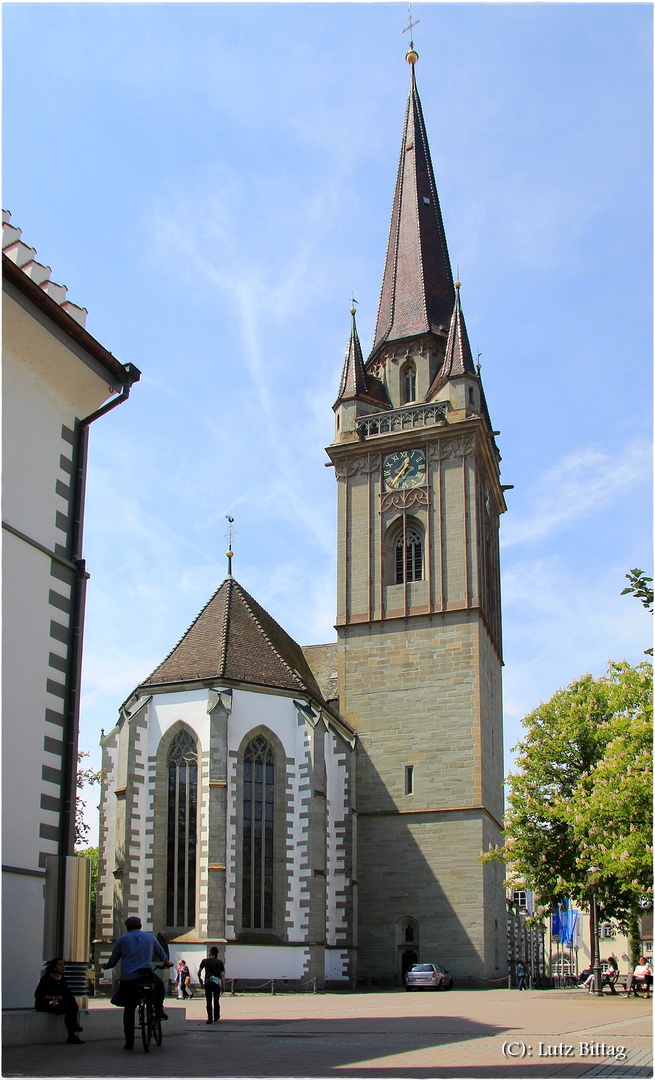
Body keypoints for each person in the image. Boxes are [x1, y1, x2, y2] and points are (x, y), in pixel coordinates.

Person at [103, 916, 173, 1050]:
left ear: (127, 927)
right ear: (140, 926)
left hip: (129, 979)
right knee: (159, 985)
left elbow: (113, 960)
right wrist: (167, 962)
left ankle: (129, 1042)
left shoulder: (122, 940)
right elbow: (162, 954)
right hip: (145, 976)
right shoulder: (150, 938)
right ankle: (158, 1009)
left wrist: (107, 966)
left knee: (129, 1011)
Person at [34, 958, 84, 1044]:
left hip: (57, 1003)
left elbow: (67, 993)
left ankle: (74, 1027)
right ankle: (72, 1032)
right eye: (60, 965)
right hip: (46, 1003)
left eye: (63, 965)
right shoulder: (46, 979)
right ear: (54, 967)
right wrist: (53, 998)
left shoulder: (62, 979)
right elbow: (38, 995)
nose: (63, 967)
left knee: (71, 1002)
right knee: (68, 1009)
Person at [198, 947, 226, 1023]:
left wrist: (200, 979)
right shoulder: (220, 963)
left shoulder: (205, 961)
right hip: (217, 983)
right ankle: (216, 1016)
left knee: (208, 1000)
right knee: (216, 1000)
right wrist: (223, 986)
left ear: (210, 953)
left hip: (208, 983)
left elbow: (199, 971)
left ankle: (210, 1017)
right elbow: (222, 975)